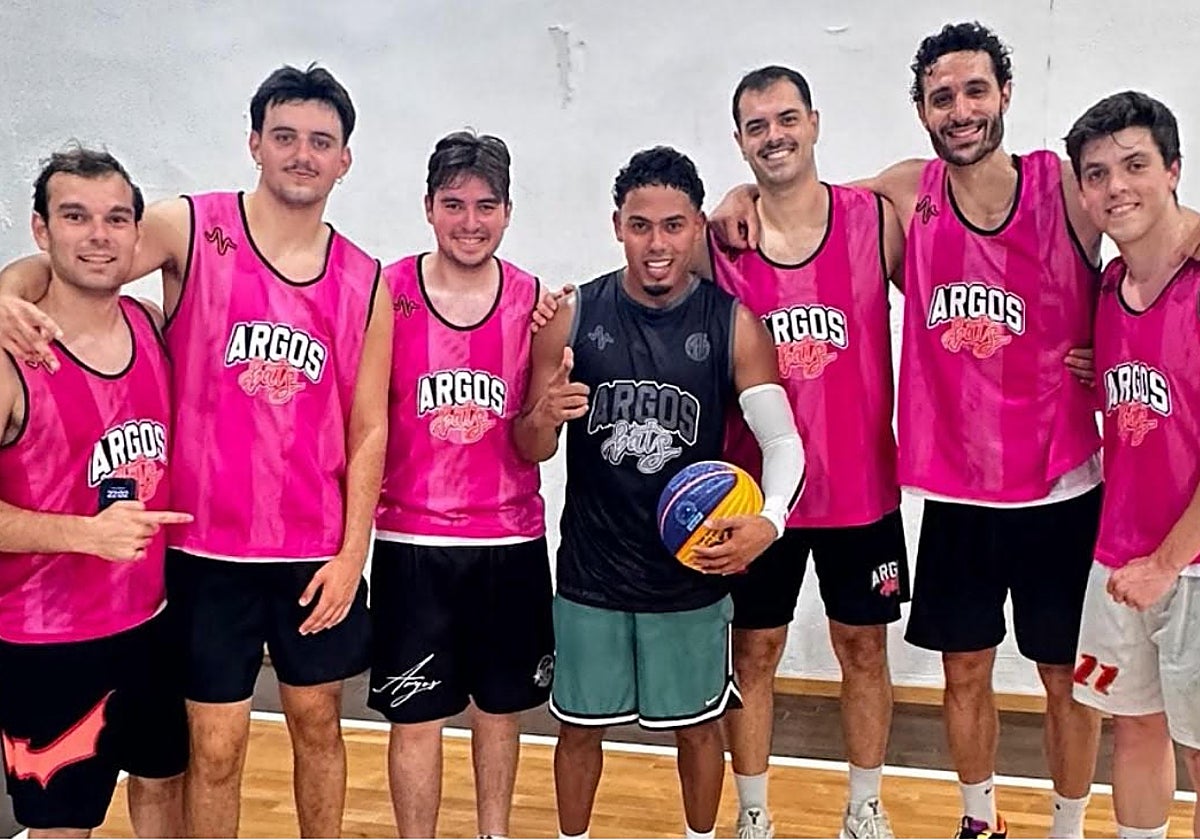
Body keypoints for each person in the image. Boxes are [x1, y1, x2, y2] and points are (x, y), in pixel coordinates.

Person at [711, 23, 1108, 838]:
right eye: (941, 97)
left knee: (1064, 679)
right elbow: (798, 192)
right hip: (956, 493)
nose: (960, 110)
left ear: (1005, 93)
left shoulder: (1065, 186)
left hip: (1060, 485)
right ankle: (976, 823)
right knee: (961, 671)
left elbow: (1156, 228)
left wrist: (1119, 338)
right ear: (921, 109)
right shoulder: (905, 193)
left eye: (974, 91)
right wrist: (736, 197)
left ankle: (1067, 828)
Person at [0, 64, 393, 837]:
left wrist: (354, 554)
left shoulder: (363, 277)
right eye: (284, 136)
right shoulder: (193, 228)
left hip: (314, 553)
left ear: (345, 158)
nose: (302, 154)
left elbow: (369, 426)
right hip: (205, 552)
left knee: (320, 727)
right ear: (254, 143)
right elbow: (84, 255)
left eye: (320, 141)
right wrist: (1, 296)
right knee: (211, 751)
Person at [515, 146, 804, 840]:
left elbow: (783, 442)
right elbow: (529, 446)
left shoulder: (732, 323)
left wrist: (770, 521)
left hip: (690, 570)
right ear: (617, 225)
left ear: (698, 226)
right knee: (578, 730)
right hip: (591, 570)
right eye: (641, 225)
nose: (657, 244)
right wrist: (544, 415)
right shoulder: (572, 315)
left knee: (700, 729)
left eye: (673, 226)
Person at [711, 65, 908, 840]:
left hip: (861, 489)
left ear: (815, 122)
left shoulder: (873, 220)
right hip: (755, 494)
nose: (775, 136)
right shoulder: (722, 242)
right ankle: (754, 814)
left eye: (787, 119)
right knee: (754, 653)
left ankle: (865, 807)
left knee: (863, 649)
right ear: (739, 141)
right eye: (757, 126)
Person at [0, 148, 191, 838]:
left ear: (137, 235)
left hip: (150, 624)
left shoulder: (150, 324)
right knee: (63, 827)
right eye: (75, 217)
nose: (98, 236)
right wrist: (85, 534)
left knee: (163, 787)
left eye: (115, 219)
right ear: (41, 229)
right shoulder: (10, 358)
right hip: (46, 642)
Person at [370, 131, 554, 838]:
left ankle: (492, 834)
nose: (469, 222)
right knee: (415, 719)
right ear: (428, 207)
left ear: (508, 211)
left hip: (508, 539)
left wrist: (551, 409)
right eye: (453, 204)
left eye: (485, 206)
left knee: (499, 712)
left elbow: (536, 439)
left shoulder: (534, 302)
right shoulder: (386, 292)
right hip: (411, 540)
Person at [1066, 90, 1200, 840]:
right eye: (1097, 174)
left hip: (1189, 567)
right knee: (1134, 728)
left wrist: (1166, 562)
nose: (1116, 186)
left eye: (1135, 165)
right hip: (1120, 555)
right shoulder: (1108, 290)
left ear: (1173, 169)